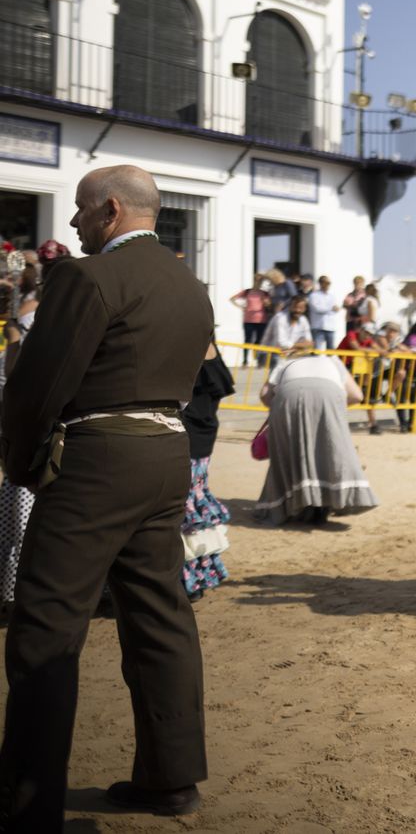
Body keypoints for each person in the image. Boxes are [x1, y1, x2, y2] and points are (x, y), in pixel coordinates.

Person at [0, 164, 212, 824]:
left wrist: (27, 466)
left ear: (111, 210)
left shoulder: (87, 277)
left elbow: (37, 386)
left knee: (45, 623)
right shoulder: (190, 285)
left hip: (98, 456)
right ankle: (170, 777)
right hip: (167, 453)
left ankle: (28, 798)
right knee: (158, 614)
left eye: (81, 210)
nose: (72, 222)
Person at [0, 242, 73, 623]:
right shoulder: (32, 312)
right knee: (21, 522)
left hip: (52, 439)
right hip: (32, 437)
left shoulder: (67, 321)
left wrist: (14, 344)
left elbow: (20, 381)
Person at [254, 342, 378, 525]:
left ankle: (294, 503)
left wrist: (280, 410)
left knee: (291, 451)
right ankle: (328, 502)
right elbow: (357, 396)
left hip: (288, 397)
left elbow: (265, 395)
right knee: (330, 450)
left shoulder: (285, 363)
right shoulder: (332, 361)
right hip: (329, 395)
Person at [180, 340, 236, 598]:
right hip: (202, 439)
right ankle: (197, 576)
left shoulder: (186, 349)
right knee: (193, 508)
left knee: (183, 510)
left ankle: (186, 580)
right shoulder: (210, 349)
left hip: (186, 440)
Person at [338, 321, 390, 436]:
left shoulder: (368, 340)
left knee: (368, 397)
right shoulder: (351, 334)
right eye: (366, 333)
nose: (368, 336)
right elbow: (356, 348)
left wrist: (378, 350)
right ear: (361, 330)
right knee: (343, 398)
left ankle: (373, 424)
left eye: (370, 334)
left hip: (355, 372)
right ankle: (339, 424)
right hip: (341, 369)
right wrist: (377, 351)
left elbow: (381, 350)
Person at [262, 293, 313, 366]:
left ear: (305, 309)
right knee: (278, 365)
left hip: (290, 353)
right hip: (270, 353)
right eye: (295, 307)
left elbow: (309, 343)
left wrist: (298, 347)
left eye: (301, 308)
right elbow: (281, 343)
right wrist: (300, 346)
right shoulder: (280, 318)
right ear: (290, 307)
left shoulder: (303, 320)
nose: (298, 310)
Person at [231, 273, 273, 360]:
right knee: (247, 340)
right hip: (248, 319)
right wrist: (241, 307)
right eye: (256, 280)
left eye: (260, 280)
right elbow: (232, 299)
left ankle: (256, 359)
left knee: (259, 340)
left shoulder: (265, 293)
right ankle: (245, 360)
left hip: (261, 319)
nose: (258, 282)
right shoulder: (247, 291)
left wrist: (266, 303)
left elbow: (269, 305)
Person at [307, 275, 341, 351]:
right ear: (320, 283)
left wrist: (333, 309)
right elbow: (317, 309)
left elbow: (335, 310)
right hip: (318, 327)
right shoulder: (314, 295)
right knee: (317, 351)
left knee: (331, 352)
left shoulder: (332, 296)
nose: (328, 285)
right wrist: (331, 309)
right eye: (326, 283)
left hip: (330, 327)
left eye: (329, 283)